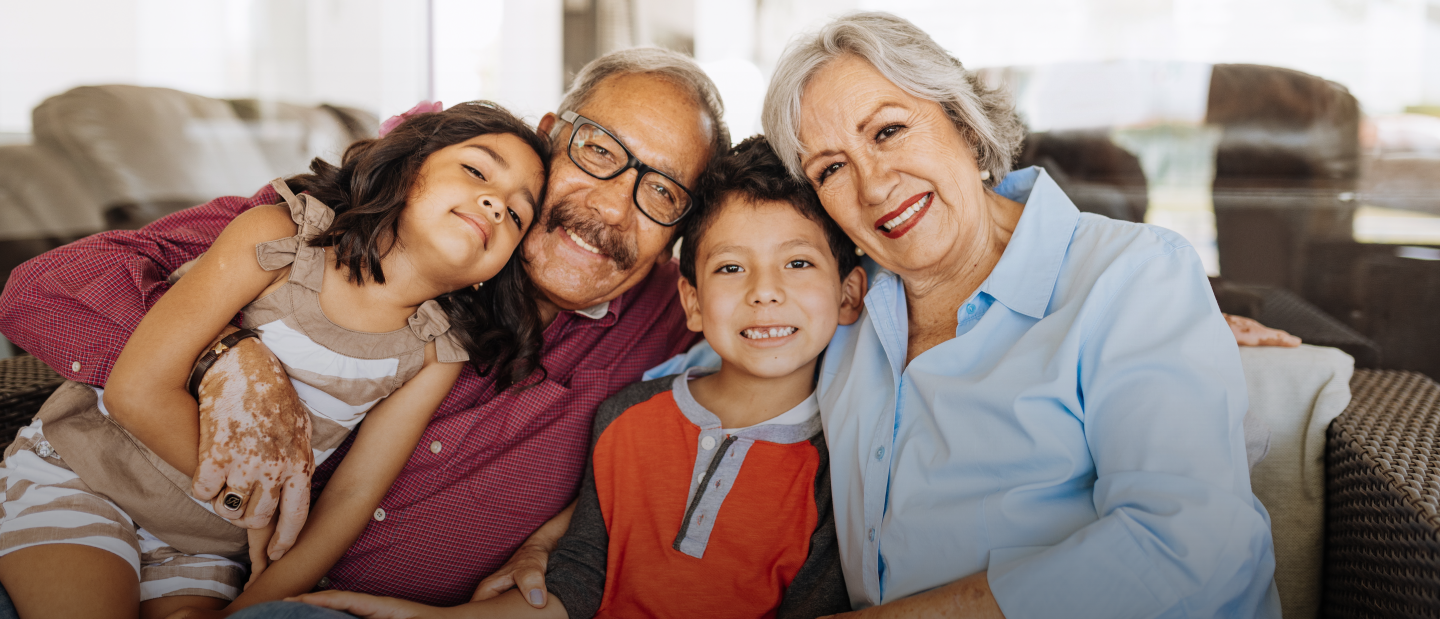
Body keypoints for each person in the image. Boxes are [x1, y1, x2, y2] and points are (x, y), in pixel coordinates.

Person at [0, 47, 727, 608]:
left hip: (229, 571)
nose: (612, 206)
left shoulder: (674, 314)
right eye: (599, 150)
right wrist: (225, 353)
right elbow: (42, 291)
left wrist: (564, 536)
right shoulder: (327, 228)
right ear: (550, 137)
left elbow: (765, 341)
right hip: (90, 491)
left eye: (663, 191)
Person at [750, 11, 1281, 618]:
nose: (872, 186)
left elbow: (1188, 546)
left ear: (964, 123)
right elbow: (720, 338)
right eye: (831, 168)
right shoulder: (839, 306)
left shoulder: (1133, 279)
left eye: (888, 131)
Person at [0, 101, 550, 619]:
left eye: (517, 214)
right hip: (89, 477)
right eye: (477, 171)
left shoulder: (437, 351)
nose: (495, 203)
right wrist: (255, 502)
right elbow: (135, 393)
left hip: (206, 547)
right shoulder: (281, 239)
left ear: (495, 271)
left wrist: (255, 603)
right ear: (405, 168)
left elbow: (353, 495)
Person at [272, 136, 861, 619]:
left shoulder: (843, 464)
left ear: (850, 293)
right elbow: (576, 584)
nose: (764, 292)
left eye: (798, 263)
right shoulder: (627, 416)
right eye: (731, 267)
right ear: (693, 301)